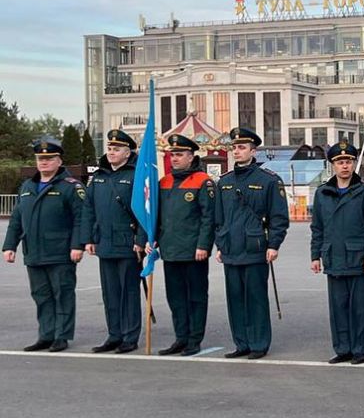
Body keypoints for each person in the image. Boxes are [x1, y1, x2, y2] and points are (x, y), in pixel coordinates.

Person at [2, 138, 85, 352]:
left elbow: (81, 218)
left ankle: (62, 336)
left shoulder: (71, 187)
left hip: (61, 252)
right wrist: (9, 246)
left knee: (63, 294)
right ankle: (46, 335)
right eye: (40, 158)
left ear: (59, 161)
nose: (44, 162)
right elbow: (17, 219)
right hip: (34, 252)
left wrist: (78, 245)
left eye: (49, 158)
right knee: (41, 296)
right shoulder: (27, 186)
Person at [213, 127, 289, 359]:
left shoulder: (268, 180)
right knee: (235, 299)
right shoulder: (224, 182)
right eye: (234, 147)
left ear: (253, 151)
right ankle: (242, 343)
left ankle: (258, 344)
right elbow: (218, 218)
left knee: (255, 299)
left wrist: (274, 245)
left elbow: (279, 217)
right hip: (231, 249)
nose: (237, 151)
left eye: (242, 147)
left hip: (256, 249)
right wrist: (220, 244)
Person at [311, 141, 364, 364]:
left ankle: (359, 349)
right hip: (333, 258)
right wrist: (315, 255)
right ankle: (342, 348)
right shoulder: (322, 193)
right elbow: (317, 228)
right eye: (339, 162)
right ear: (333, 165)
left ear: (354, 164)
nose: (344, 166)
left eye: (348, 161)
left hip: (358, 259)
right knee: (338, 308)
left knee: (358, 308)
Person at [80, 129, 146, 353]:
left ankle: (130, 336)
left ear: (128, 152)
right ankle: (114, 335)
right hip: (105, 242)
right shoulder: (99, 176)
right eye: (109, 148)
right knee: (110, 293)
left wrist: (141, 240)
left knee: (129, 293)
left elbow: (145, 211)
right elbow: (88, 209)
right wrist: (88, 238)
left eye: (116, 149)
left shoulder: (137, 175)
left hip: (128, 243)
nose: (111, 152)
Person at [153, 134, 215, 356]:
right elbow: (157, 216)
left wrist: (203, 245)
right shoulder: (164, 182)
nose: (175, 159)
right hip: (170, 250)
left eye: (179, 154)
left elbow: (209, 217)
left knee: (196, 297)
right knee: (176, 298)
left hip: (193, 251)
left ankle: (194, 340)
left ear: (191, 156)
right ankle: (181, 337)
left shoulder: (203, 181)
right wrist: (152, 240)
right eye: (172, 155)